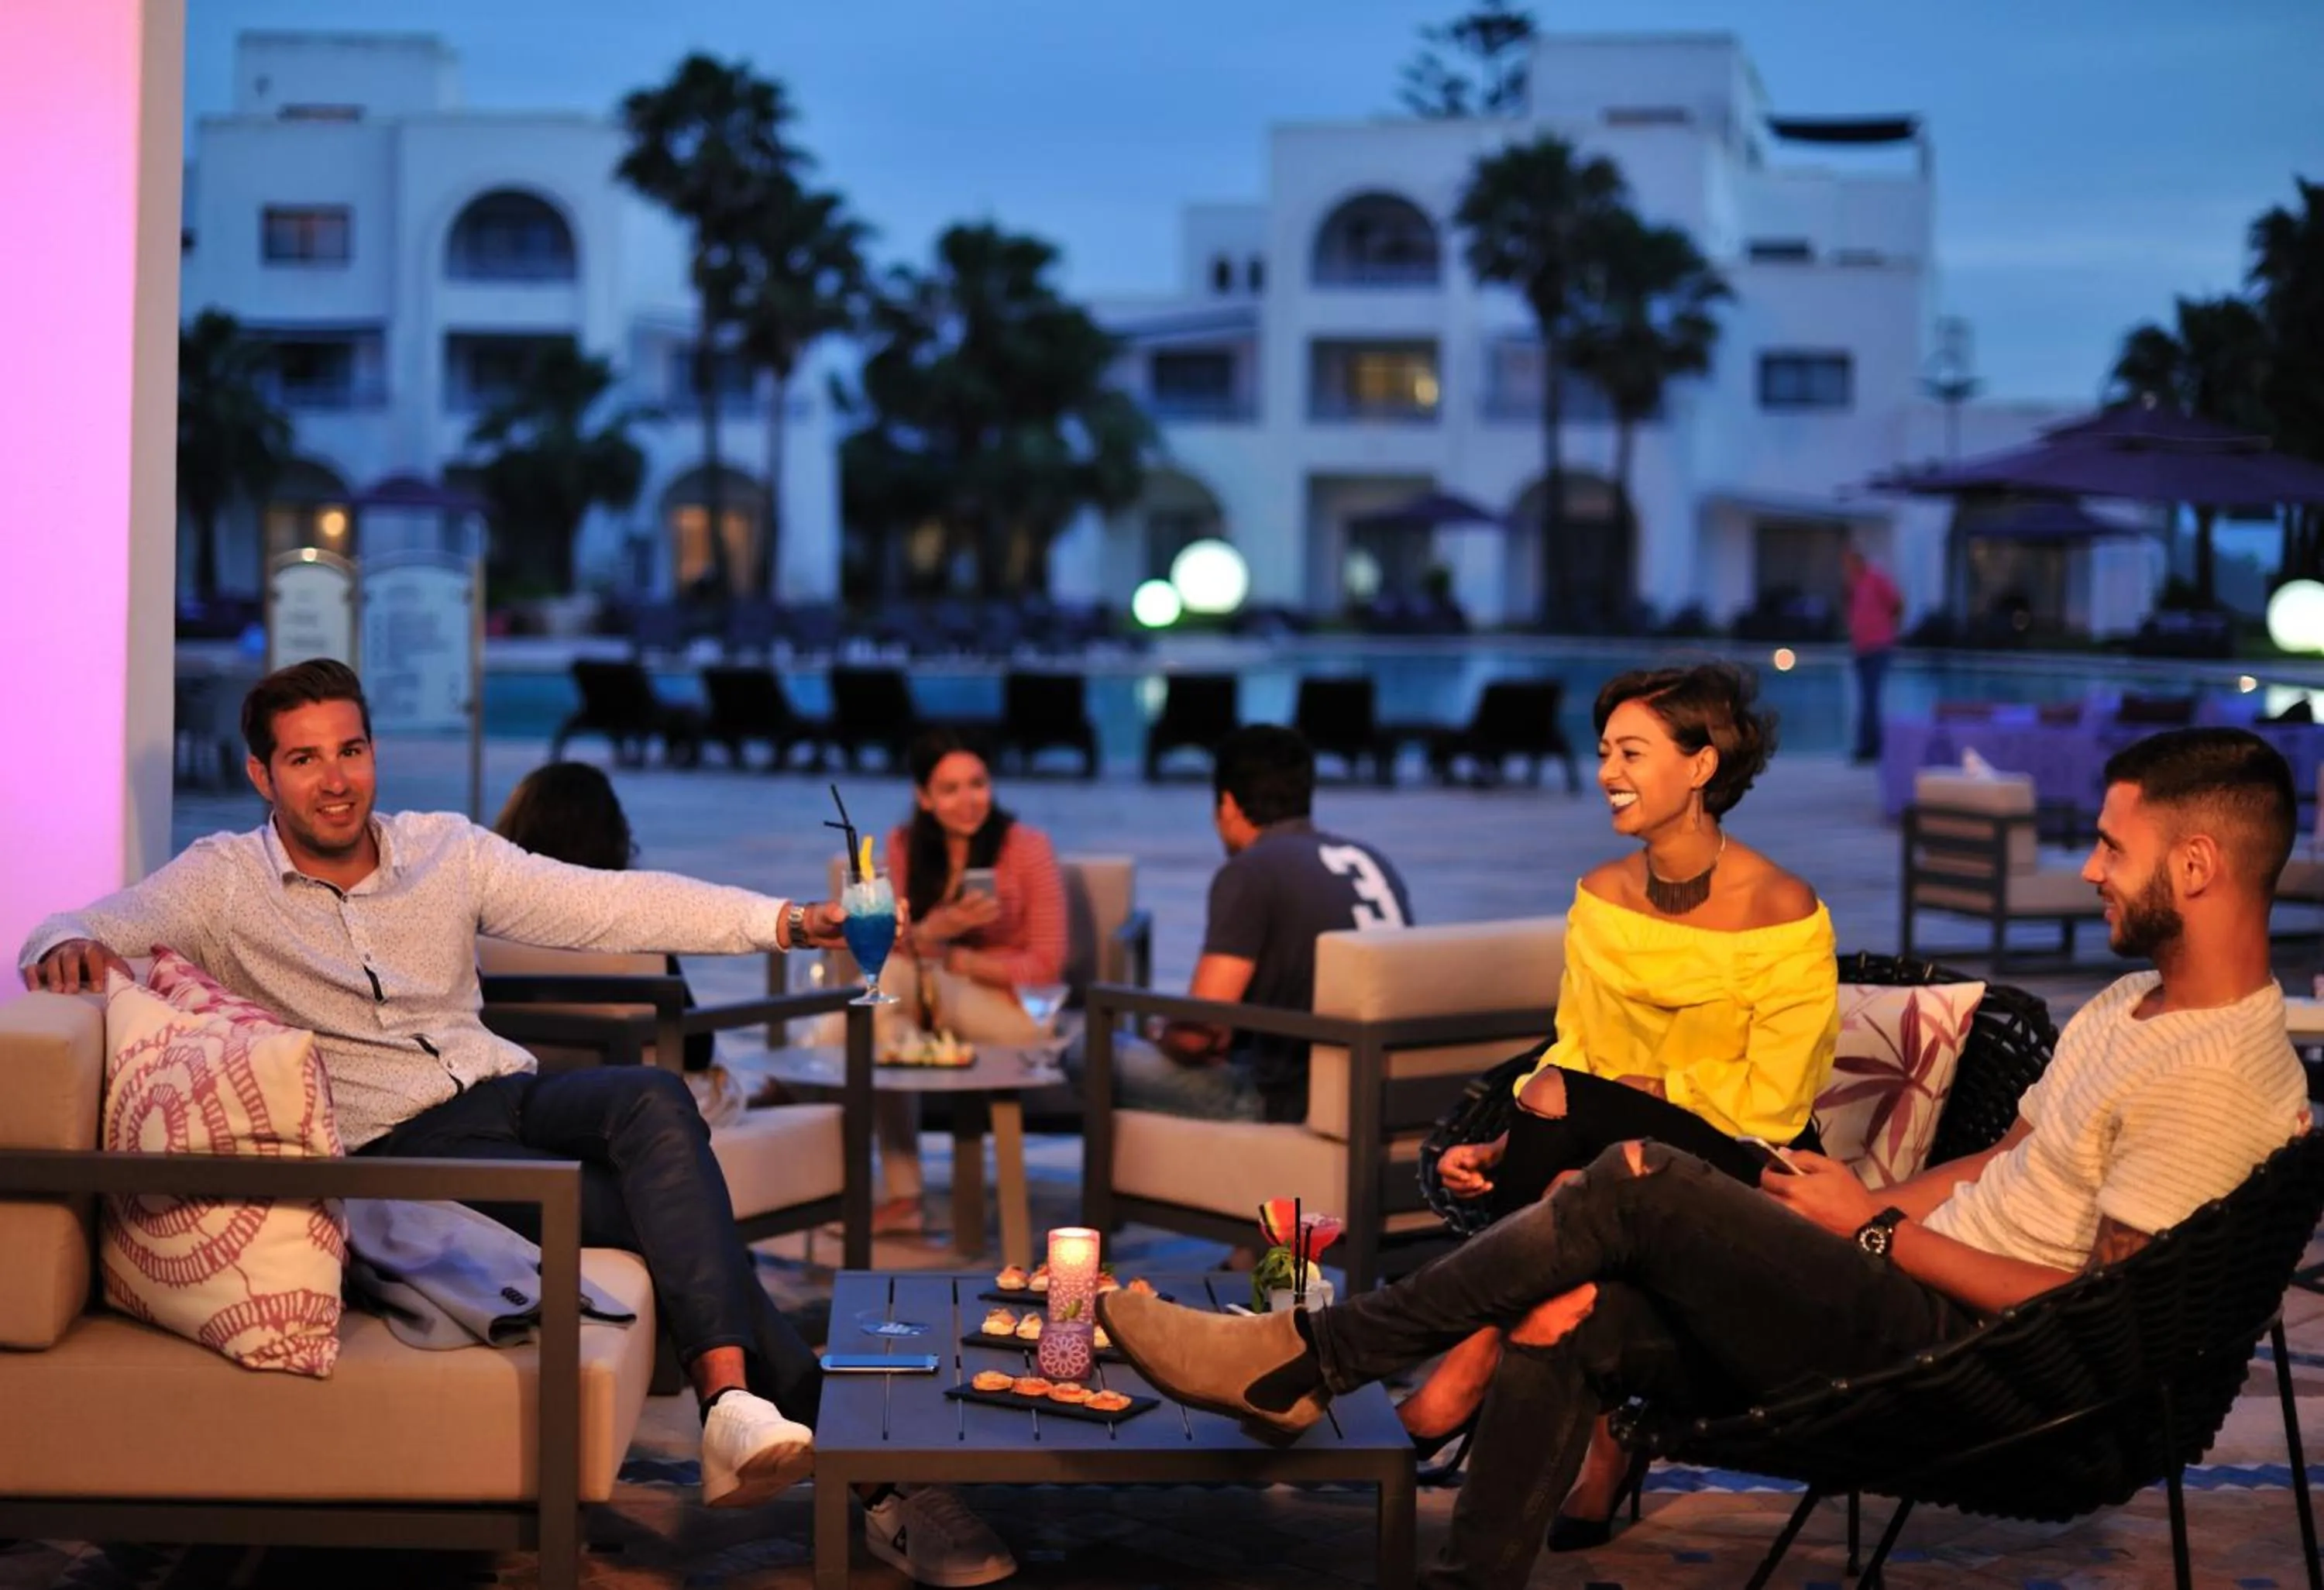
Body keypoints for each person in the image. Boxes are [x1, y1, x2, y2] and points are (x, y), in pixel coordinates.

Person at [1098, 726, 2312, 1590]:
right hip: (1900, 1273)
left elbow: (2108, 1317)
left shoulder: (2216, 1077)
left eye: (2110, 847)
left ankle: (1305, 1357)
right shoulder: (2129, 1006)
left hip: (1982, 1355)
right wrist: (1863, 1201)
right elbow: (2007, 1152)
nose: (2091, 866)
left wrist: (1874, 1234)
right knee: (1567, 1309)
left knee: (1642, 1176)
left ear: (2196, 867)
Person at [18, 660, 1014, 1588]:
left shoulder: (444, 850)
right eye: (304, 758)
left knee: (651, 1096)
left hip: (506, 1092)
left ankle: (733, 1412)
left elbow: (611, 904)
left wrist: (789, 921)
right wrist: (64, 942)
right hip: (405, 1149)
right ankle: (836, 1458)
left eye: (351, 750)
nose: (335, 781)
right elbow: (77, 924)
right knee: (671, 1225)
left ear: (375, 752)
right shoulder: (223, 878)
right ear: (261, 775)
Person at [1408, 662, 1836, 1547]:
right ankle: (1604, 1448)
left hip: (1741, 1159)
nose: (1608, 772)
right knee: (1562, 1128)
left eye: (1632, 752)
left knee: (1572, 1128)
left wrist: (1643, 1093)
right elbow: (1576, 1050)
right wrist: (1508, 1138)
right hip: (1602, 1149)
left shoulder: (1782, 908)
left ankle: (1479, 1345)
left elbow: (1777, 1100)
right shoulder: (1602, 897)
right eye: (1604, 751)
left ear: (1701, 766)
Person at [1072, 724, 1411, 1124]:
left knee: (1084, 1052)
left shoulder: (1251, 870)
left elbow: (1193, 1036)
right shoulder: (1373, 861)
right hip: (1376, 1088)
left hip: (1285, 1099)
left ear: (1228, 805)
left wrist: (1163, 1033)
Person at [861, 728, 1068, 1232]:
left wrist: (956, 959)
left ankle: (903, 1196)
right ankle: (904, 1196)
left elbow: (1048, 964)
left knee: (870, 1018)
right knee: (883, 1007)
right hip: (926, 1008)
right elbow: (885, 944)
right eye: (950, 789)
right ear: (924, 797)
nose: (968, 800)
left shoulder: (1026, 848)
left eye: (977, 783)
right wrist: (938, 928)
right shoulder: (905, 845)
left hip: (1015, 1013)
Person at [492, 760, 734, 1117]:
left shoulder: (486, 930)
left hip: (525, 1103)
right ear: (613, 836)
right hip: (640, 1110)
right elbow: (697, 1048)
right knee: (736, 1080)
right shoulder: (631, 930)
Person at [1843, 545, 1904, 765]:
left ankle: (1871, 746)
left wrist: (1889, 629)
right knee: (1864, 698)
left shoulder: (1875, 579)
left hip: (1878, 646)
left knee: (1870, 698)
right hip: (1861, 647)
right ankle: (1867, 745)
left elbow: (1896, 602)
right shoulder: (1856, 583)